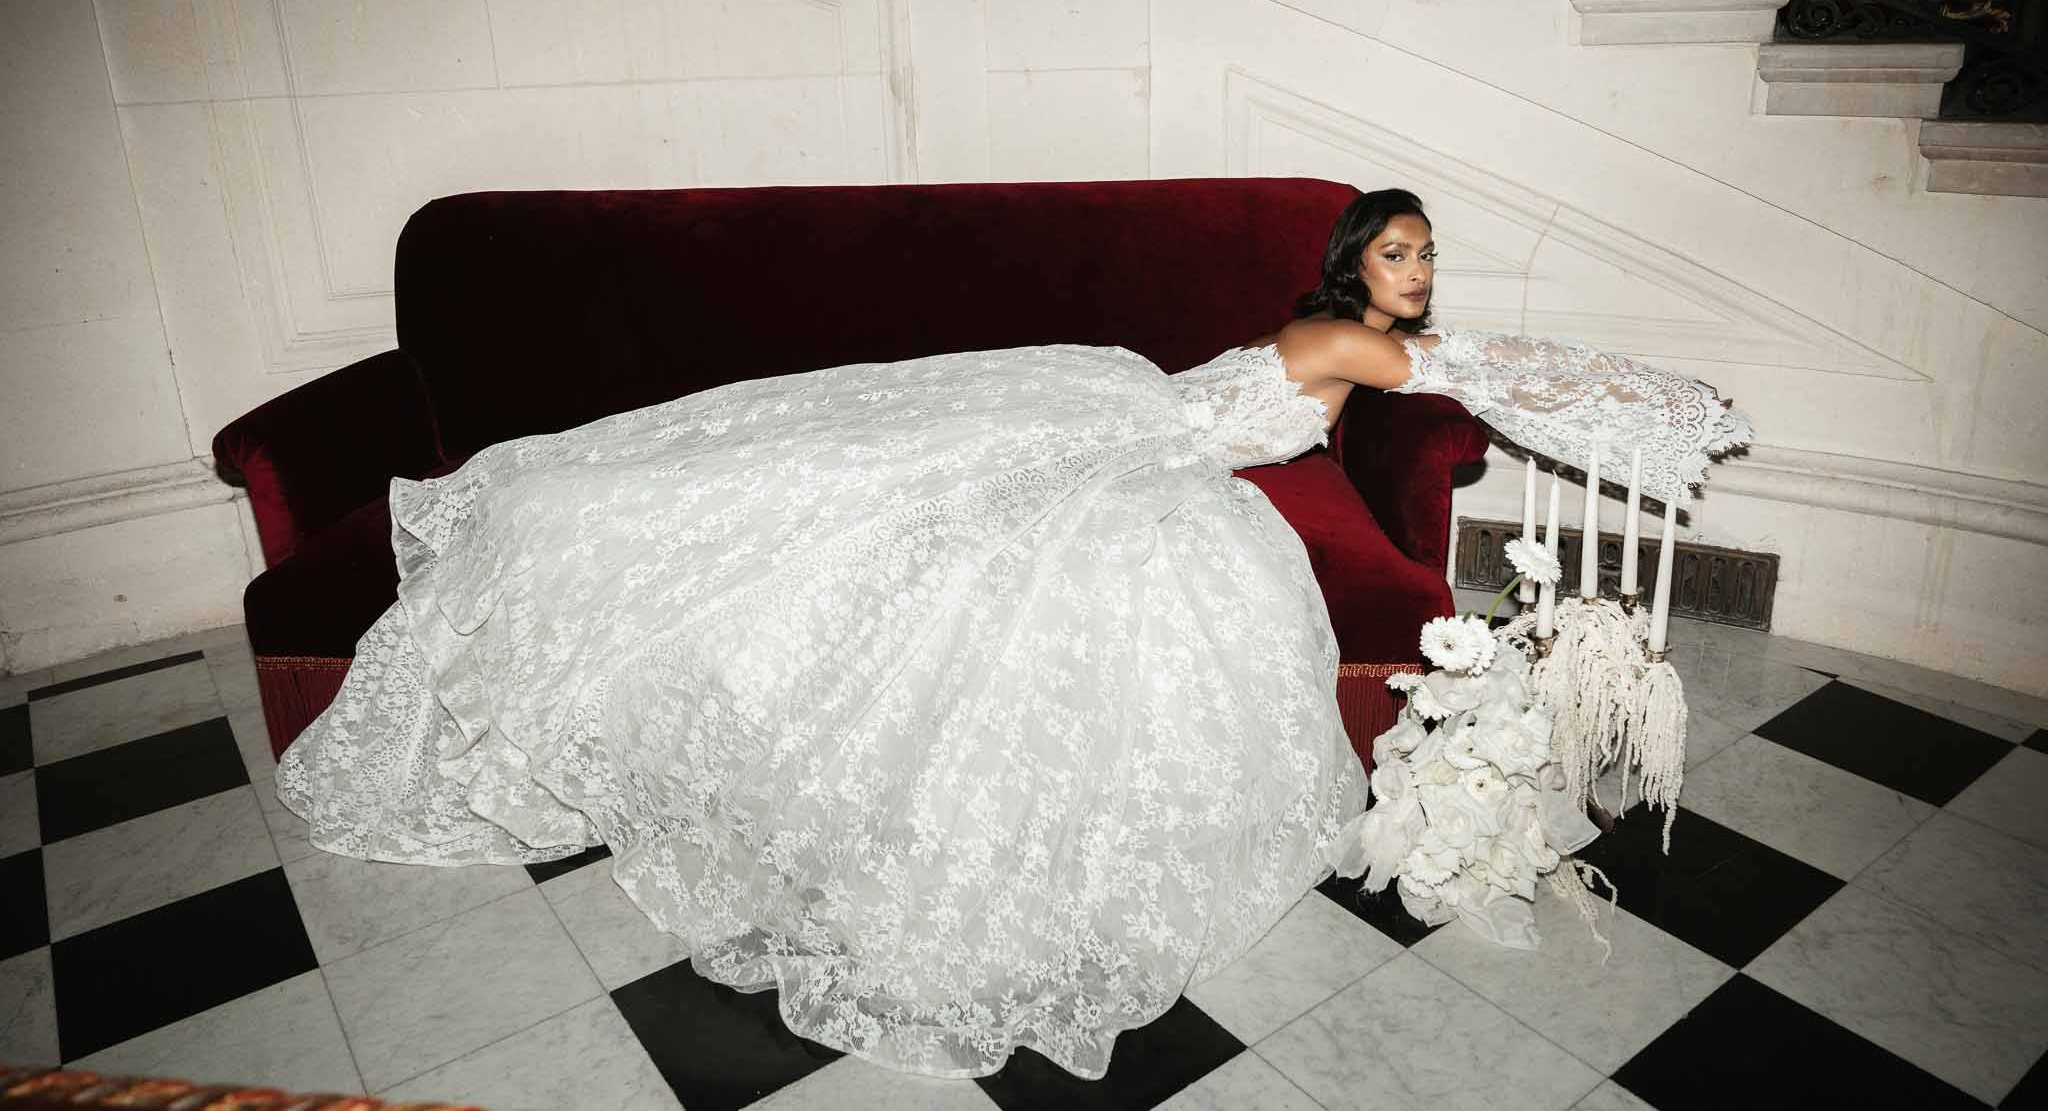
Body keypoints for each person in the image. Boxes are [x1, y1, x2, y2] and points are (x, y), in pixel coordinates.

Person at [278, 188, 1744, 1080]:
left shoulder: (1337, 335)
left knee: (847, 483)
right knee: (860, 508)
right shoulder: (1361, 340)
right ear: (1359, 266)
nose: (1420, 276)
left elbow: (1454, 371)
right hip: (1141, 439)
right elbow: (1499, 371)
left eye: (1431, 254)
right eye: (1403, 254)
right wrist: (1666, 403)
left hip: (1125, 408)